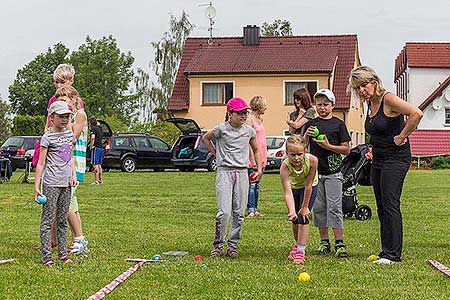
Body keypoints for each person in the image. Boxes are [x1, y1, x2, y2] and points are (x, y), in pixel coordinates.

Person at [348, 66, 423, 264]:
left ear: (374, 81)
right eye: (357, 88)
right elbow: (377, 131)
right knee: (381, 206)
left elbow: (416, 113)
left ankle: (393, 255)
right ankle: (385, 251)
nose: (362, 90)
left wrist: (402, 136)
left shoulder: (388, 99)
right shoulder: (368, 104)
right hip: (379, 158)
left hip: (396, 158)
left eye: (364, 85)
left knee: (390, 204)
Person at [203, 98, 263, 259]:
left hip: (242, 172)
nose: (244, 115)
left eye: (245, 112)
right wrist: (215, 153)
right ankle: (218, 245)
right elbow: (206, 138)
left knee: (239, 212)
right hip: (224, 173)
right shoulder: (221, 129)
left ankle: (233, 246)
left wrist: (258, 168)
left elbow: (256, 149)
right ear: (230, 114)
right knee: (224, 212)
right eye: (240, 113)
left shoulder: (249, 131)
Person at [304, 88, 351, 258]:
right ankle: (324, 242)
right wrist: (306, 138)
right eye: (319, 104)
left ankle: (340, 243)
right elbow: (301, 148)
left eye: (325, 104)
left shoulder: (338, 124)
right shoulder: (310, 124)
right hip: (315, 173)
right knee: (319, 209)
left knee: (335, 208)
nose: (322, 107)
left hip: (333, 173)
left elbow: (346, 149)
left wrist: (328, 146)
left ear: (332, 105)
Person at [34, 101, 77, 265]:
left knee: (62, 220)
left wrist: (73, 174)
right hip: (51, 184)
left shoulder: (69, 135)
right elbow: (41, 163)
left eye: (67, 116)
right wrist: (37, 186)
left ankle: (63, 255)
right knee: (48, 220)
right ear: (52, 118)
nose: (64, 120)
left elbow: (70, 157)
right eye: (61, 117)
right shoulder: (47, 137)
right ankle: (47, 257)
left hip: (66, 184)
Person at [53, 86, 90, 254]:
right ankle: (78, 240)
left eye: (64, 100)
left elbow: (72, 139)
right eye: (58, 101)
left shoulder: (79, 115)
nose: (61, 104)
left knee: (65, 202)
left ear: (73, 100)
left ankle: (80, 239)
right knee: (71, 204)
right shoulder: (63, 118)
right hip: (63, 163)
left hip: (75, 164)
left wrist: (65, 122)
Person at [280, 135, 318, 263]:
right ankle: (297, 245)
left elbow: (308, 185)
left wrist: (305, 206)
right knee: (295, 219)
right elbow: (288, 192)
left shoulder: (313, 161)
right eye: (292, 155)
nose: (296, 158)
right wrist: (291, 211)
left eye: (299, 154)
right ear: (287, 154)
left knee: (303, 217)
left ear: (305, 151)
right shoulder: (284, 167)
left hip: (310, 186)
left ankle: (301, 251)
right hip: (295, 187)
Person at [246, 96, 268, 218]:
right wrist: (252, 158)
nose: (266, 108)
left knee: (258, 184)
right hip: (253, 156)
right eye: (264, 105)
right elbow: (249, 140)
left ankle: (255, 207)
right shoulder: (250, 119)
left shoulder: (261, 119)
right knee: (252, 184)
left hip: (262, 154)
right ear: (259, 106)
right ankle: (251, 209)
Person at [45, 64, 84, 130]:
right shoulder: (53, 100)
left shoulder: (77, 100)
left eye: (62, 82)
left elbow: (78, 125)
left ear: (71, 81)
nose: (59, 85)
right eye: (56, 82)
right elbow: (48, 124)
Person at [89, 118, 104, 185]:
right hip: (101, 148)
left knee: (95, 164)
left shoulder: (93, 129)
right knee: (99, 164)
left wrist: (91, 146)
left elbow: (92, 137)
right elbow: (99, 124)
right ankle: (100, 180)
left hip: (96, 148)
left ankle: (96, 181)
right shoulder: (100, 129)